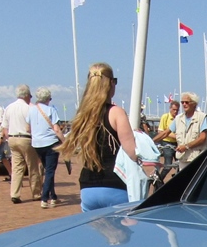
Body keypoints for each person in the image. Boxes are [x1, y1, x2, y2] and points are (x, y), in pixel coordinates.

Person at [57, 62, 139, 212]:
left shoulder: (83, 115)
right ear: (111, 83)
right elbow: (132, 153)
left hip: (88, 187)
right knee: (121, 228)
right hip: (115, 184)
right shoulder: (116, 112)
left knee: (94, 227)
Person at [2, 84, 42, 204]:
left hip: (12, 138)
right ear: (26, 95)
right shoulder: (29, 108)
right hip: (26, 138)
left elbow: (4, 128)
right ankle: (36, 193)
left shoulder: (9, 108)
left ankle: (15, 193)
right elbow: (34, 127)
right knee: (32, 167)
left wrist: (8, 138)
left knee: (16, 168)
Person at [28, 87, 65, 208]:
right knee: (50, 171)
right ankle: (44, 198)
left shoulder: (31, 110)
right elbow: (57, 129)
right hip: (50, 143)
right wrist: (65, 142)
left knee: (48, 170)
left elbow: (28, 128)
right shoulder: (51, 110)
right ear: (47, 98)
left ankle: (53, 196)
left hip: (37, 144)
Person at [172, 92, 207, 166]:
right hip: (183, 159)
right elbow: (166, 132)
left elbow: (202, 138)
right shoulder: (178, 118)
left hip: (198, 159)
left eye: (187, 102)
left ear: (194, 104)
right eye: (182, 102)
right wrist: (152, 141)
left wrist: (186, 147)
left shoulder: (202, 117)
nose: (184, 104)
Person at [152, 100, 179, 179]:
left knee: (180, 165)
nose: (175, 112)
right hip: (167, 143)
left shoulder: (178, 118)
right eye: (174, 109)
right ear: (170, 109)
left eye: (177, 110)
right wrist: (173, 135)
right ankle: (159, 180)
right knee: (168, 165)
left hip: (177, 144)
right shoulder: (165, 117)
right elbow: (160, 131)